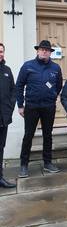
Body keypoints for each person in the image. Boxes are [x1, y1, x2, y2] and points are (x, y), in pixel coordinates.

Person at [16, 40, 63, 178]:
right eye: (42, 49)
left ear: (50, 53)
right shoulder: (28, 66)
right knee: (28, 135)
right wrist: (20, 105)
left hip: (48, 107)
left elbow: (58, 85)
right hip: (31, 106)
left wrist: (53, 96)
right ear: (37, 51)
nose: (44, 51)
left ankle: (47, 163)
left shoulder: (55, 68)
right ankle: (24, 165)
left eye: (47, 50)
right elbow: (19, 86)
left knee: (47, 135)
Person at [0, 43, 16, 188]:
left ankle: (0, 177)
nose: (1, 54)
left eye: (2, 51)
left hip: (3, 118)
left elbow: (13, 91)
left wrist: (9, 108)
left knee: (1, 147)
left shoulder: (7, 70)